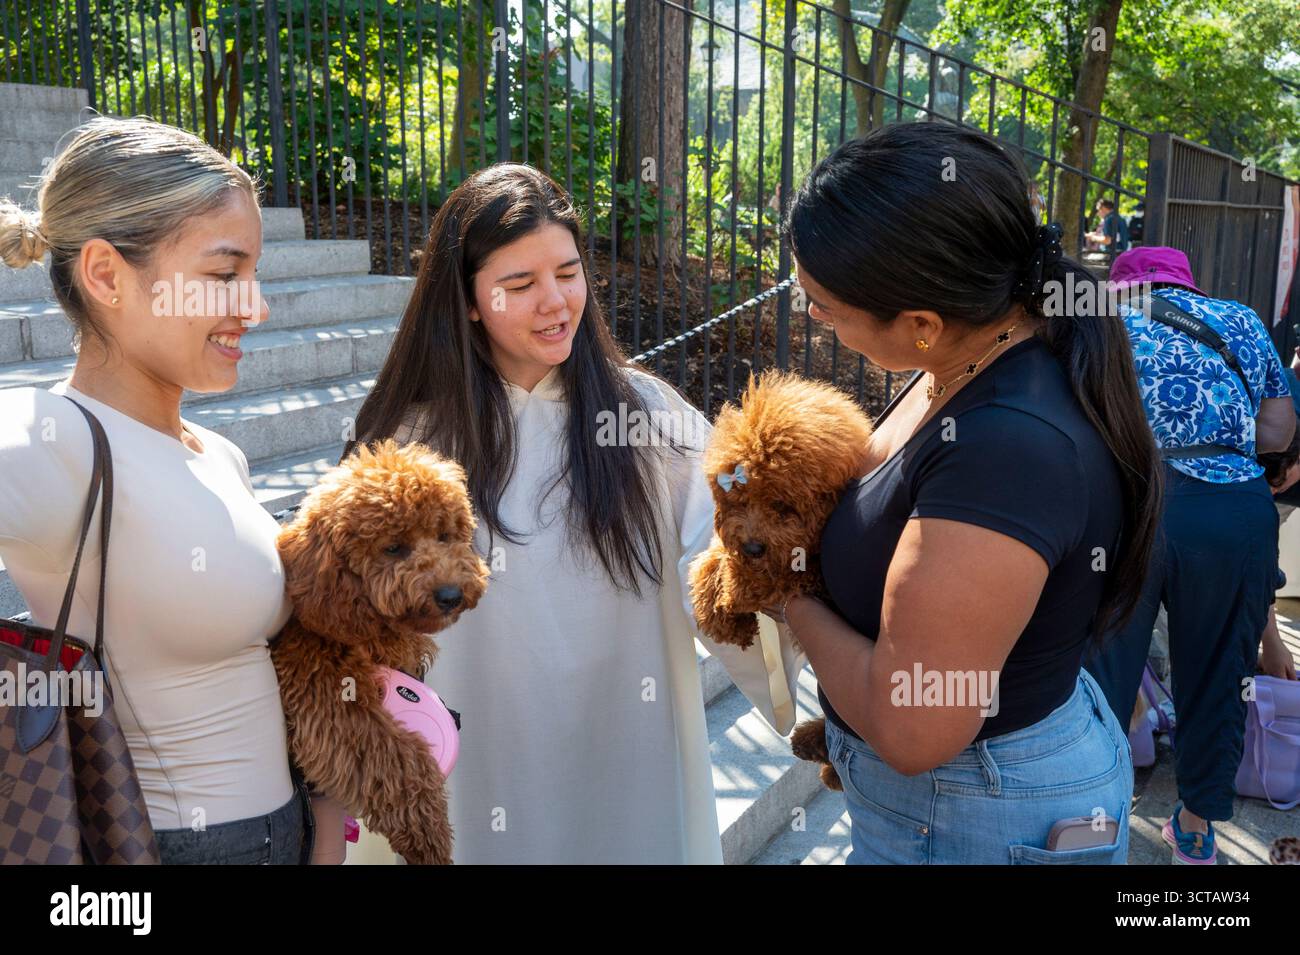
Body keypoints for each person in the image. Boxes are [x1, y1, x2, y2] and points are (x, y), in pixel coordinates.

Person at [345, 162, 804, 864]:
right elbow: (346, 610)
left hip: (624, 738)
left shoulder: (648, 419)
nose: (556, 301)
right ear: (467, 299)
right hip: (476, 746)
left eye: (567, 272)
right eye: (520, 284)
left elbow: (724, 568)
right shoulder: (410, 439)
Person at [774, 122, 1163, 864]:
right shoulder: (970, 364)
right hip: (959, 801)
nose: (813, 315)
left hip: (971, 814)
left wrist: (784, 589)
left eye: (823, 304)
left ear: (921, 323)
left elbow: (914, 722)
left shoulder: (1005, 448)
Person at [0, 117, 313, 863]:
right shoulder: (54, 436)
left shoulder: (221, 454)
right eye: (222, 274)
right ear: (106, 275)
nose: (255, 306)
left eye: (255, 274)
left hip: (285, 835)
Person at [1084, 246, 1295, 864]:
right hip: (1228, 511)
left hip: (1128, 507)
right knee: (1220, 675)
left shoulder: (1098, 326)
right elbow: (1279, 433)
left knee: (1102, 673)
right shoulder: (1242, 320)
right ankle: (1197, 827)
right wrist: (1217, 431)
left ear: (1121, 287)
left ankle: (1100, 818)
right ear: (1188, 284)